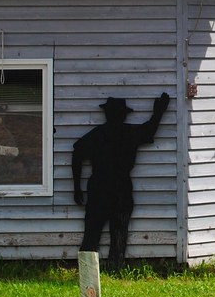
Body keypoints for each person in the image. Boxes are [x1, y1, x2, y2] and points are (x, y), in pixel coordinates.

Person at [72, 92, 170, 268]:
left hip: (100, 186)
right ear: (123, 115)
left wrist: (77, 187)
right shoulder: (129, 133)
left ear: (107, 114)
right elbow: (149, 129)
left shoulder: (98, 134)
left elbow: (77, 153)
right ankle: (115, 266)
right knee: (118, 232)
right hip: (120, 187)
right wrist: (158, 112)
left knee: (93, 233)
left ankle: (87, 269)